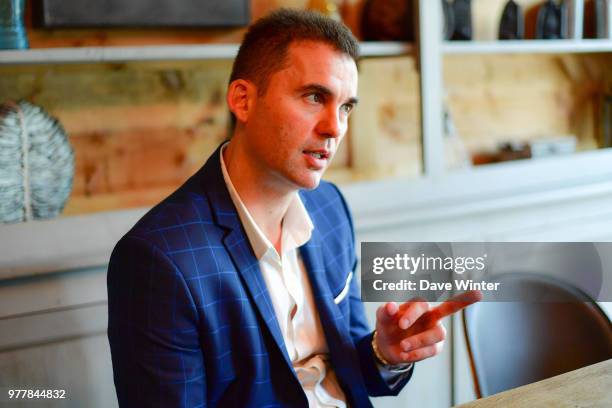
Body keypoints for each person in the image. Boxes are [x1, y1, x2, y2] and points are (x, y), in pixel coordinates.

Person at [107, 8, 480, 408]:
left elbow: (353, 371)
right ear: (243, 99)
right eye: (315, 97)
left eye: (346, 107)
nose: (334, 127)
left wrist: (383, 352)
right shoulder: (159, 260)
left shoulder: (330, 209)